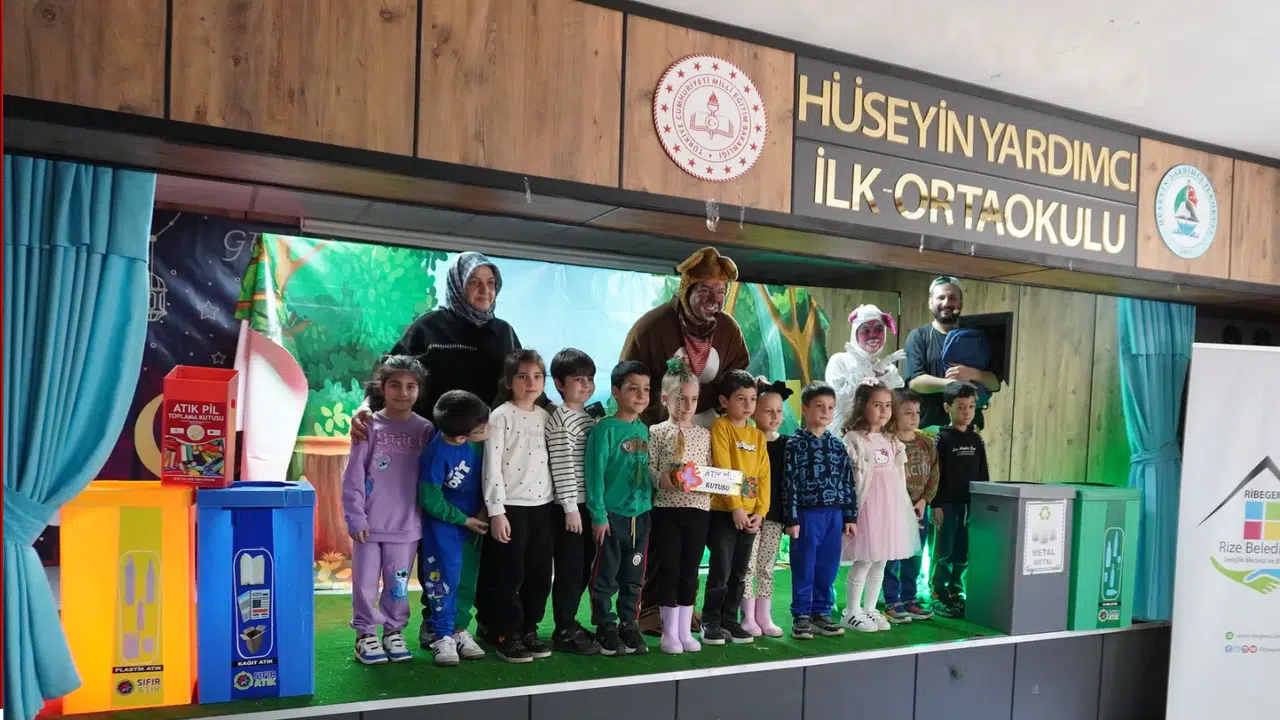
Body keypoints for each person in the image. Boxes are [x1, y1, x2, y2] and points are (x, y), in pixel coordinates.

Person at [349, 251, 521, 646]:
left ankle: (473, 622)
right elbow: (390, 370)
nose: (484, 291)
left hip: (485, 451)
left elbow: (521, 383)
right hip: (436, 449)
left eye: (491, 283)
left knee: (482, 533)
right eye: (474, 282)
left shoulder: (504, 333)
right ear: (458, 285)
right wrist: (365, 407)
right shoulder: (430, 327)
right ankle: (435, 619)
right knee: (439, 535)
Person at [622, 247, 750, 636]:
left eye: (720, 291)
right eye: (705, 289)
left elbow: (737, 378)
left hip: (710, 441)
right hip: (661, 437)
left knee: (701, 531)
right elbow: (631, 381)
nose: (714, 298)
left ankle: (689, 607)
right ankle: (650, 606)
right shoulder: (652, 328)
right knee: (662, 530)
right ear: (685, 289)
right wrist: (650, 432)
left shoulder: (728, 330)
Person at [341, 356, 434, 664]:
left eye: (410, 386)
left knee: (398, 585)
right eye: (395, 385)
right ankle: (365, 634)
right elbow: (353, 474)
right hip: (369, 526)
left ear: (419, 390)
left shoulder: (425, 429)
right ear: (382, 388)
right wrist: (355, 516)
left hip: (407, 526)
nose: (403, 393)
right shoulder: (368, 426)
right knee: (365, 584)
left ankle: (394, 631)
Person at [477, 349, 555, 663]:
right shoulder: (500, 417)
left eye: (537, 376)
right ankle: (505, 634)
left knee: (539, 574)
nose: (531, 382)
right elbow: (491, 467)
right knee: (508, 575)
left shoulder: (546, 417)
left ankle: (529, 629)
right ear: (509, 382)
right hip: (511, 508)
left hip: (543, 507)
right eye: (522, 376)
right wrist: (496, 511)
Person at [840, 381, 921, 633]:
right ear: (862, 406)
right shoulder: (853, 439)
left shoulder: (891, 440)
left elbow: (898, 475)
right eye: (877, 405)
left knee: (881, 561)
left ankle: (870, 608)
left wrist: (903, 508)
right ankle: (852, 611)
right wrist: (849, 511)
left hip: (890, 508)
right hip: (867, 508)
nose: (884, 410)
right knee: (864, 560)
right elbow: (849, 478)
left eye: (887, 405)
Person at [418, 390, 491, 666]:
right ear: (461, 437)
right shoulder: (436, 453)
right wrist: (463, 519)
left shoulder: (478, 443)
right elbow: (430, 498)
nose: (488, 428)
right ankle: (442, 635)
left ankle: (460, 630)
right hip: (444, 528)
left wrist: (483, 510)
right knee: (443, 580)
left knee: (466, 580)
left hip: (473, 525)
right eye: (482, 427)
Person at [585, 360, 653, 656]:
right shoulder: (605, 430)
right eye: (633, 388)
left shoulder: (644, 430)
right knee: (606, 575)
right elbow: (594, 475)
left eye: (646, 389)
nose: (641, 395)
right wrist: (599, 516)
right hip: (612, 518)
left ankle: (628, 624)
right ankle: (605, 626)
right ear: (615, 391)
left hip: (642, 515)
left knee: (634, 575)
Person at [647, 356, 712, 655]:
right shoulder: (656, 432)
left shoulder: (704, 434)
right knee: (669, 568)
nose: (688, 405)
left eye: (694, 399)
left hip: (698, 510)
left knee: (690, 570)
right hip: (667, 510)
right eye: (681, 398)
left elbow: (710, 472)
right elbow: (648, 467)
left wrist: (713, 482)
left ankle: (685, 631)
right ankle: (669, 632)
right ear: (665, 399)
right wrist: (661, 479)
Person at [783, 382, 856, 640]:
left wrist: (850, 516)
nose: (825, 412)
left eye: (830, 407)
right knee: (804, 565)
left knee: (828, 565)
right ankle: (801, 616)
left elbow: (847, 482)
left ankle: (821, 612)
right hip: (806, 515)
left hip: (834, 515)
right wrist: (791, 518)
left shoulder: (837, 445)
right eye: (819, 406)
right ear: (805, 409)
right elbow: (789, 482)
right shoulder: (794, 443)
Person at [703, 369, 770, 645]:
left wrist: (760, 512)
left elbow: (763, 476)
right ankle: (710, 622)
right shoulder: (721, 428)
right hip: (724, 513)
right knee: (721, 569)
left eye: (752, 399)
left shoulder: (757, 436)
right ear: (724, 401)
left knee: (740, 572)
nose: (748, 405)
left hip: (750, 517)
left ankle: (730, 619)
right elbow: (723, 467)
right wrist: (736, 508)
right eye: (740, 399)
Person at [545, 348, 602, 656]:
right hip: (571, 508)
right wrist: (569, 507)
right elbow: (562, 464)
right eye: (578, 379)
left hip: (587, 504)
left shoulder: (587, 418)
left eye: (589, 378)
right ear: (558, 383)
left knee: (583, 568)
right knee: (569, 569)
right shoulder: (560, 419)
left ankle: (569, 621)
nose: (585, 385)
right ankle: (564, 628)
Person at [902, 277, 1000, 432]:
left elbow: (995, 384)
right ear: (930, 303)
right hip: (928, 430)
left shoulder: (977, 337)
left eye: (952, 298)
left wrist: (974, 374)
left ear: (960, 303)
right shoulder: (919, 336)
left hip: (968, 431)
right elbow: (915, 382)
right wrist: (955, 385)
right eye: (941, 298)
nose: (946, 303)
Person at [931, 381, 989, 619]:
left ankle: (956, 590)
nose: (967, 412)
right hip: (946, 506)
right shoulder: (941, 439)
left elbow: (983, 473)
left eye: (971, 407)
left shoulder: (976, 440)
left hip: (969, 505)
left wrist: (982, 503)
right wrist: (935, 504)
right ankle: (938, 592)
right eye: (961, 407)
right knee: (943, 550)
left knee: (963, 551)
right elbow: (934, 474)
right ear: (948, 408)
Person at [741, 379, 792, 639]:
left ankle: (764, 615)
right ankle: (748, 616)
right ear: (754, 412)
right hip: (749, 513)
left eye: (779, 411)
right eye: (768, 411)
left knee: (766, 566)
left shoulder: (787, 444)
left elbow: (788, 482)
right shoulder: (747, 441)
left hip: (773, 516)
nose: (774, 416)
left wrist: (789, 517)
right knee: (747, 566)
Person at [882, 388, 938, 624]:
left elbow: (934, 473)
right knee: (892, 555)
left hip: (919, 509)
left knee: (914, 554)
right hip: (894, 509)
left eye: (917, 412)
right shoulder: (887, 442)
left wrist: (924, 500)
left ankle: (909, 597)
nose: (914, 417)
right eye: (908, 413)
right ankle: (891, 599)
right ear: (895, 413)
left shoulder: (926, 442)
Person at [826, 304, 905, 434]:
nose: (872, 335)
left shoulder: (889, 370)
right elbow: (839, 402)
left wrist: (881, 374)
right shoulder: (839, 361)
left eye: (878, 329)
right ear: (855, 334)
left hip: (878, 438)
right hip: (843, 434)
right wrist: (864, 372)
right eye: (865, 330)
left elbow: (898, 408)